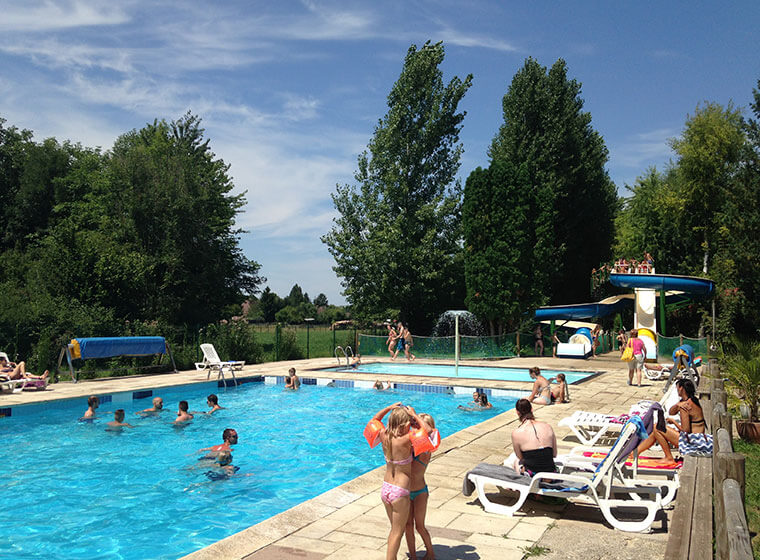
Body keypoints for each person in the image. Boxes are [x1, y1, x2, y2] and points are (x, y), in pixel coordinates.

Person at [370, 402, 423, 560]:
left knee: (394, 530)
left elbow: (374, 420)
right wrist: (414, 416)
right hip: (400, 491)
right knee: (397, 533)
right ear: (405, 424)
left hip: (386, 488)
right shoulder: (407, 439)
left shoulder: (383, 435)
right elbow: (427, 431)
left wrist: (388, 408)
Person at [635, 379, 708, 465]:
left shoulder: (685, 406)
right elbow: (671, 412)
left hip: (693, 442)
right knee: (657, 429)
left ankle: (668, 458)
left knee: (657, 428)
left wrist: (674, 422)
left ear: (681, 388)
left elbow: (685, 431)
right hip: (698, 439)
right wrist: (677, 405)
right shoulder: (690, 401)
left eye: (677, 388)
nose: (676, 390)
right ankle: (635, 453)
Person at [405, 412, 436, 560]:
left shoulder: (426, 449)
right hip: (405, 491)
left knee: (420, 526)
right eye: (415, 425)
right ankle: (413, 556)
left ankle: (430, 553)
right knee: (408, 526)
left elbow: (429, 432)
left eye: (419, 425)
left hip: (420, 492)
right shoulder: (411, 444)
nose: (416, 428)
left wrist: (415, 416)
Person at [505, 399, 557, 475]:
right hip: (551, 473)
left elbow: (520, 457)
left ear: (517, 412)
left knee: (516, 461)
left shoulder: (516, 433)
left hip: (533, 474)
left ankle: (516, 485)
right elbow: (554, 454)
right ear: (531, 409)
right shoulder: (548, 426)